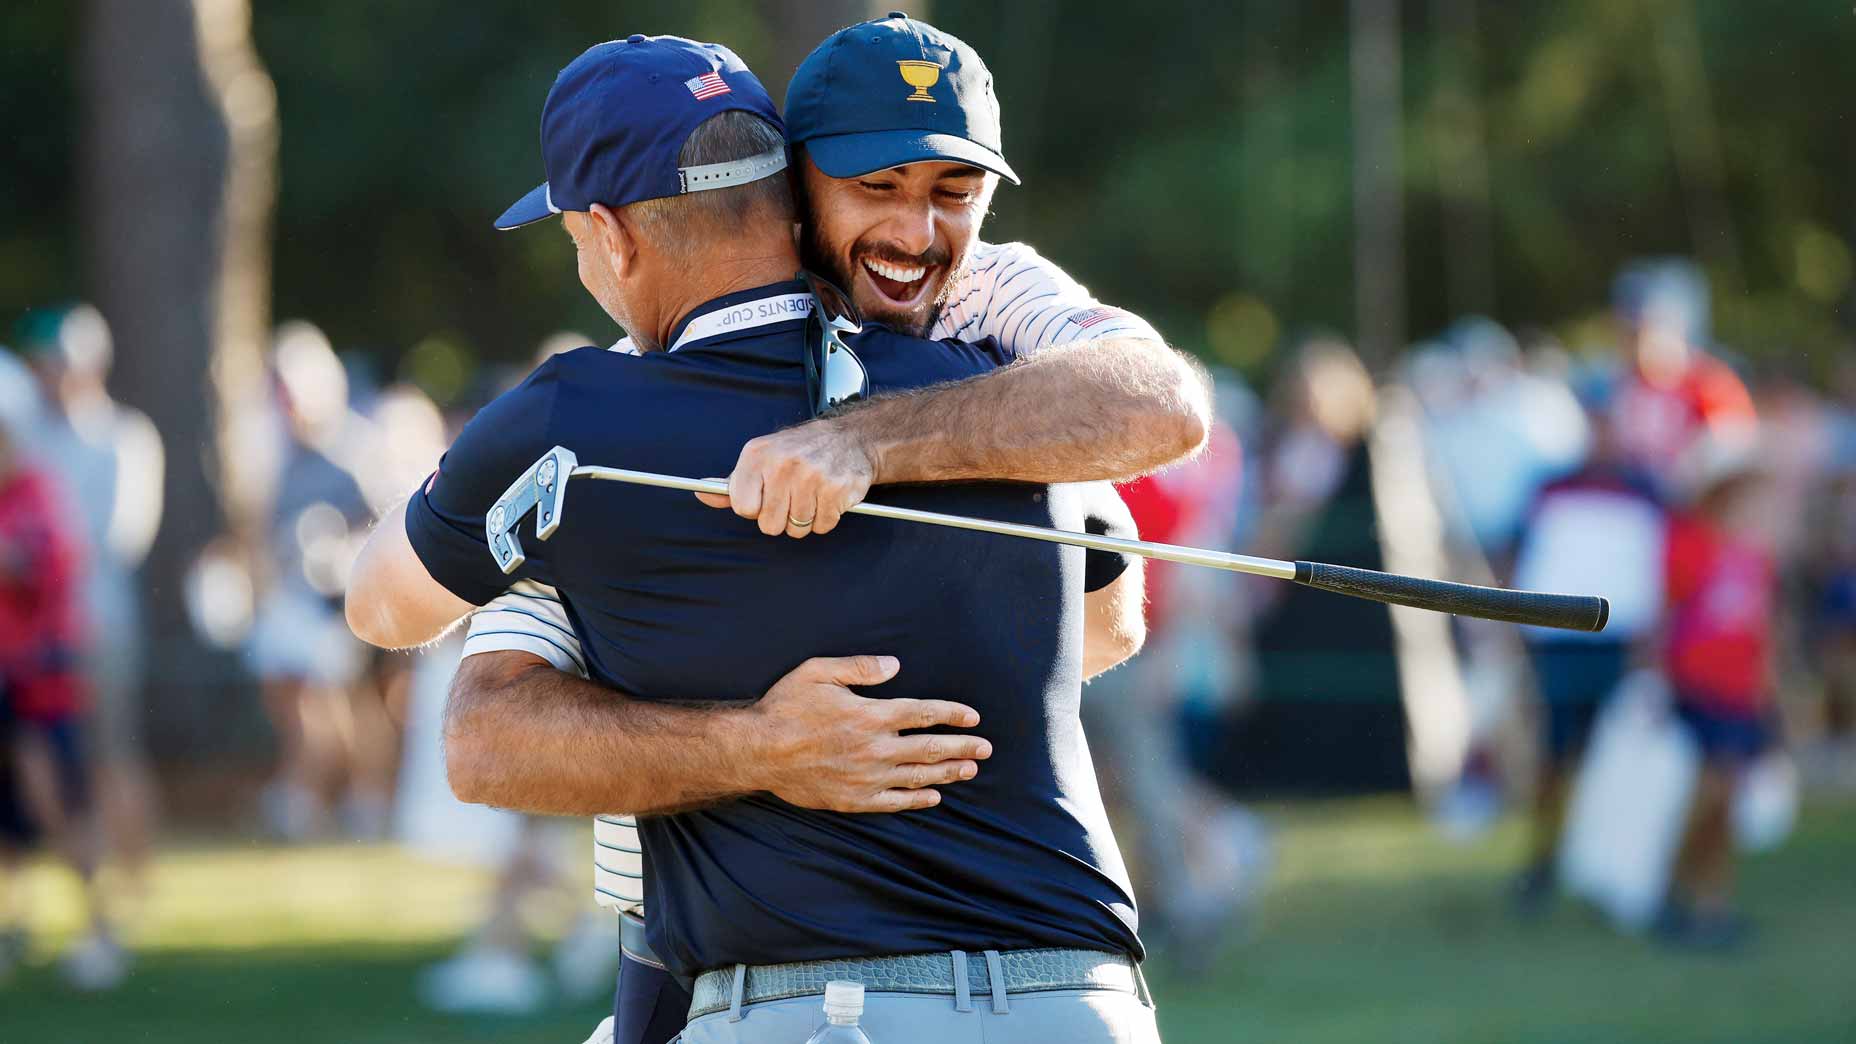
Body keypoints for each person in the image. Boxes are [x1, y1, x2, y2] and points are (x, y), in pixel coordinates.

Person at [347, 33, 1184, 1043]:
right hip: (1086, 1004)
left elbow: (390, 615)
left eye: (949, 193)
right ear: (791, 194)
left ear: (611, 238)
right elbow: (1105, 624)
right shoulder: (1010, 389)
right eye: (878, 186)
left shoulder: (578, 425)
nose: (914, 231)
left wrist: (739, 720)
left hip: (820, 1014)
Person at [19, 305, 164, 912]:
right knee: (47, 761)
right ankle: (90, 890)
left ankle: (135, 887)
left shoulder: (123, 436)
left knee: (112, 756)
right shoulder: (32, 437)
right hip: (39, 626)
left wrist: (36, 552)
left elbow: (118, 535)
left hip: (99, 622)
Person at [1507, 394, 1665, 913]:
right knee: (1554, 758)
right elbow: (1523, 556)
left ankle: (1605, 868)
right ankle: (1542, 862)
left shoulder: (1647, 490)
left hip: (1618, 645)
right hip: (1561, 645)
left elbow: (1656, 573)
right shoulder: (1551, 486)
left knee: (1613, 764)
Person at [0, 350, 123, 989]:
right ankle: (13, 924)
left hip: (40, 678)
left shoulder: (39, 492)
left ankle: (98, 927)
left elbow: (53, 570)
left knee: (58, 803)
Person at [1656, 440, 1778, 949]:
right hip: (1698, 688)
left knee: (1726, 804)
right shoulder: (1687, 540)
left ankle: (1711, 902)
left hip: (1743, 693)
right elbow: (1668, 614)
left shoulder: (1753, 552)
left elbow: (1763, 626)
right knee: (1710, 795)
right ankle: (1677, 890)